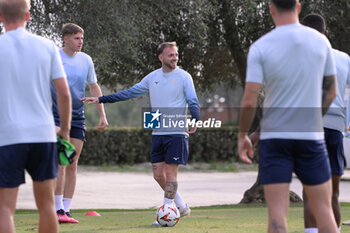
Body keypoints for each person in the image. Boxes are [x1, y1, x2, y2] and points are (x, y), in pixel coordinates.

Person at [238, 0, 339, 232]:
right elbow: (331, 91)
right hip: (311, 137)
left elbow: (250, 99)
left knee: (276, 217)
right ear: (298, 7)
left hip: (275, 139)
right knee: (324, 211)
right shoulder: (321, 41)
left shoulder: (261, 47)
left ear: (271, 8)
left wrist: (243, 136)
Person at [82, 41, 200, 225]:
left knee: (170, 175)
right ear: (161, 57)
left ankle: (166, 214)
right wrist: (101, 98)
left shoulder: (185, 77)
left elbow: (193, 101)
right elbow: (129, 93)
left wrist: (195, 119)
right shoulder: (152, 77)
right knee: (158, 175)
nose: (175, 58)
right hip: (158, 133)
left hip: (177, 132)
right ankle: (181, 206)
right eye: (171, 55)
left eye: (176, 55)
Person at [0, 0, 72, 232]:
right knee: (47, 205)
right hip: (43, 134)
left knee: (4, 209)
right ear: (28, 16)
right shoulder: (47, 45)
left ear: (0, 17)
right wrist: (66, 132)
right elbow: (64, 93)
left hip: (7, 137)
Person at [52, 23, 108, 224]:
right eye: (76, 38)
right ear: (66, 38)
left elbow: (94, 87)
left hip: (77, 117)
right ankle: (57, 209)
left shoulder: (86, 60)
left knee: (72, 162)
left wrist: (102, 115)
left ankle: (66, 210)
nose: (80, 42)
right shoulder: (54, 56)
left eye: (82, 38)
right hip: (56, 117)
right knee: (61, 161)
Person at [301, 14, 350, 233]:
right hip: (336, 130)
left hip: (310, 128)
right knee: (333, 193)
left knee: (310, 192)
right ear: (326, 33)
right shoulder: (345, 59)